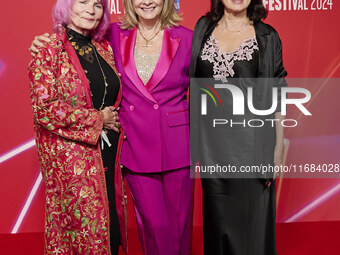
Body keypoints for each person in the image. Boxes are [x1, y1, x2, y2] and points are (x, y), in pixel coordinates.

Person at [28, 0, 127, 254]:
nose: (91, 10)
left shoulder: (104, 48)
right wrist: (98, 119)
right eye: (82, 2)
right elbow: (45, 109)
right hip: (73, 168)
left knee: (111, 233)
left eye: (97, 5)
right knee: (82, 238)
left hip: (108, 158)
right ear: (67, 7)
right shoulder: (48, 49)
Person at [190, 0, 287, 254]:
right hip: (212, 151)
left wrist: (277, 150)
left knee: (250, 233)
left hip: (252, 149)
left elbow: (277, 96)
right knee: (218, 228)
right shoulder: (203, 28)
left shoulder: (267, 36)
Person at [109, 1, 193, 255]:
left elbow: (209, 88)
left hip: (178, 145)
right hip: (135, 145)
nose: (147, 1)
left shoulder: (187, 38)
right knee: (153, 227)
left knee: (179, 227)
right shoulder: (113, 34)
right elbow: (75, 36)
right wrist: (50, 40)